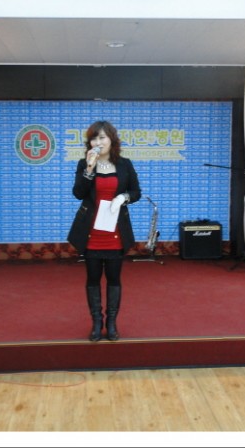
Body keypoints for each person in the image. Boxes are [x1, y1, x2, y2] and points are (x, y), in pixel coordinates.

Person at [67, 121, 141, 342]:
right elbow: (78, 193)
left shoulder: (124, 164)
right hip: (92, 232)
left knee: (114, 278)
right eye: (94, 138)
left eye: (102, 138)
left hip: (115, 231)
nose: (97, 142)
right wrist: (89, 169)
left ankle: (111, 323)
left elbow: (136, 192)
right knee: (92, 278)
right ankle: (97, 322)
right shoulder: (84, 163)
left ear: (111, 140)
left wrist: (123, 197)